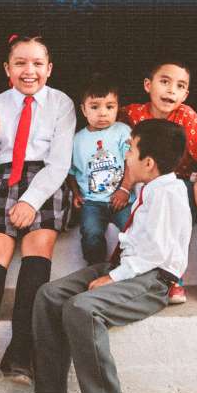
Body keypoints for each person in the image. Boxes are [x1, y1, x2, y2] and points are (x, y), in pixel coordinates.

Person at [1, 118, 191, 393]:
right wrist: (113, 272)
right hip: (129, 267)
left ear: (148, 163)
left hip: (152, 280)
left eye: (130, 150)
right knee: (48, 295)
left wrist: (113, 278)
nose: (125, 155)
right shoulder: (151, 187)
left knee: (82, 309)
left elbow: (154, 254)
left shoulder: (168, 194)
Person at [0, 35, 75, 388]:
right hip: (2, 177)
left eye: (38, 64)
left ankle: (21, 349)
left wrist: (31, 200)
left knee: (38, 247)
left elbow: (60, 164)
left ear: (49, 69)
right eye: (20, 63)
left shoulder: (61, 103)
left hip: (45, 179)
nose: (29, 71)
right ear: (7, 68)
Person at [120, 57, 197, 302]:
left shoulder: (185, 116)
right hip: (146, 190)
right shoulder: (131, 115)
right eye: (165, 82)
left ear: (185, 94)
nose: (172, 90)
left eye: (180, 86)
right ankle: (169, 275)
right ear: (148, 85)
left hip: (180, 189)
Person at [67, 75, 133, 266]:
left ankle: (130, 269)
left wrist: (125, 189)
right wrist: (76, 194)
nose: (103, 113)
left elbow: (131, 163)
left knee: (133, 231)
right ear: (83, 110)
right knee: (91, 233)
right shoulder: (76, 140)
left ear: (117, 108)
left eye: (109, 107)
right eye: (95, 107)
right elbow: (71, 172)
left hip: (122, 200)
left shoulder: (122, 131)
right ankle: (96, 269)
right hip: (92, 203)